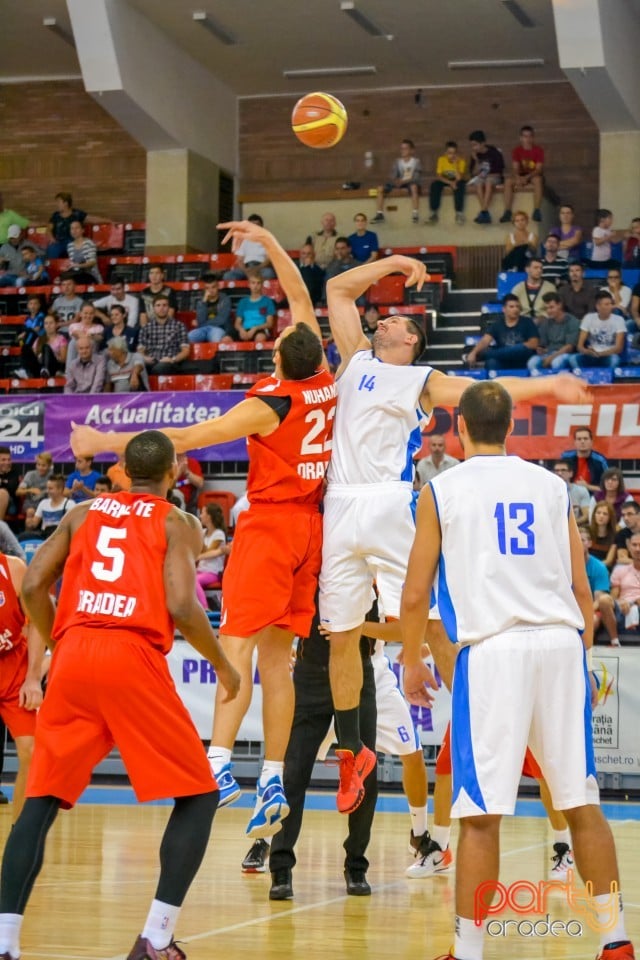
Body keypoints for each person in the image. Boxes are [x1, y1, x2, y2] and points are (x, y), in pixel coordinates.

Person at [70, 219, 335, 841]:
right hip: (311, 531)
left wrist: (101, 440)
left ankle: (217, 765)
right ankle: (274, 773)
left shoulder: (269, 403)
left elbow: (180, 440)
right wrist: (270, 243)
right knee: (281, 661)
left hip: (270, 528)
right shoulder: (324, 380)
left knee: (237, 647)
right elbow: (301, 297)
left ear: (276, 353)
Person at [320, 255, 590, 819]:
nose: (384, 319)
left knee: (431, 623)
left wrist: (549, 385)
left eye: (396, 321)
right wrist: (393, 262)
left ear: (411, 341)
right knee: (339, 634)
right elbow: (337, 291)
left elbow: (484, 388)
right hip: (339, 503)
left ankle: (483, 709)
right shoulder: (354, 361)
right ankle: (352, 751)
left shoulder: (421, 380)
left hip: (389, 503)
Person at [400, 379, 634, 960]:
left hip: (494, 650)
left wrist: (411, 660)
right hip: (558, 643)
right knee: (581, 801)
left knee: (480, 815)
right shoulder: (553, 487)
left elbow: (413, 595)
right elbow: (583, 590)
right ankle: (616, 941)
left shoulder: (443, 490)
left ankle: (469, 950)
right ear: (510, 429)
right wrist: (574, 660)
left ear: (458, 431)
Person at [0, 431, 240, 960]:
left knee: (38, 802)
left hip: (76, 653)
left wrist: (59, 638)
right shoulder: (179, 522)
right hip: (131, 653)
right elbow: (181, 603)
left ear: (124, 472)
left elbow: (34, 582)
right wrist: (222, 664)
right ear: (174, 472)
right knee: (200, 795)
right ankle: (156, 938)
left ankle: (5, 942)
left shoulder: (82, 512)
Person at [0, 551, 44, 821]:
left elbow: (38, 622)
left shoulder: (13, 568)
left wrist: (33, 678)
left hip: (14, 667)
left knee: (32, 750)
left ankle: (20, 832)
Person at [464, 294, 538, 371]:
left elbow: (534, 344)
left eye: (517, 307)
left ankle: (485, 355)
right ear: (504, 309)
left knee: (520, 348)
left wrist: (517, 347)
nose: (515, 309)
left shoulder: (527, 322)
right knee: (491, 362)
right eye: (511, 307)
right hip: (504, 360)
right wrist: (474, 352)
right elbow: (485, 340)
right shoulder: (497, 324)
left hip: (522, 359)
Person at [579, 525, 619, 648]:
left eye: (582, 540)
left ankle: (615, 642)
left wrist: (585, 614)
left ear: (589, 543)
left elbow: (598, 599)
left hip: (593, 607)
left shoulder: (599, 566)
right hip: (573, 607)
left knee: (603, 602)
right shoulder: (565, 565)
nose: (579, 543)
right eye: (576, 540)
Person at [569, 290, 626, 371]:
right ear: (598, 306)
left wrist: (600, 354)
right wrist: (587, 351)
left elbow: (618, 348)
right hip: (591, 355)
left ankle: (607, 382)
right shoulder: (588, 318)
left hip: (608, 355)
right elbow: (580, 346)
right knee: (573, 358)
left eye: (611, 304)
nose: (610, 306)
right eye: (606, 304)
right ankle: (583, 380)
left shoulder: (619, 320)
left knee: (615, 360)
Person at [501, 124, 545, 223]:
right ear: (521, 138)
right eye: (525, 136)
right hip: (521, 175)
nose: (527, 139)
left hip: (533, 175)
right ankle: (507, 211)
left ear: (533, 138)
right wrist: (518, 178)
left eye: (530, 136)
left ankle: (537, 210)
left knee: (538, 180)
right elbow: (515, 168)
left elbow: (538, 169)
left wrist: (526, 177)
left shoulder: (538, 150)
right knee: (508, 181)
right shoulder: (517, 150)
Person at [527, 291, 580, 372]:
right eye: (546, 308)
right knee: (532, 363)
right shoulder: (546, 322)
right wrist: (540, 349)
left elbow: (569, 348)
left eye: (551, 307)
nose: (548, 311)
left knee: (556, 363)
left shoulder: (572, 321)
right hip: (549, 353)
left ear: (559, 305)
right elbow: (543, 345)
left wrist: (551, 358)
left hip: (565, 354)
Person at [373, 139, 423, 224]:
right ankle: (379, 214)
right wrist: (396, 181)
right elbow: (393, 175)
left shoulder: (416, 162)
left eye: (405, 148)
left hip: (411, 182)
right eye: (401, 148)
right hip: (400, 182)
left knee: (414, 187)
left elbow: (417, 177)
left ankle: (415, 213)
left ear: (411, 150)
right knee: (380, 188)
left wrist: (405, 181)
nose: (403, 151)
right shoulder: (397, 162)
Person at [137, 295, 190, 374]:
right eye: (158, 305)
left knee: (160, 368)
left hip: (170, 362)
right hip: (151, 361)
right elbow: (140, 350)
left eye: (164, 305)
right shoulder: (146, 328)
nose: (161, 308)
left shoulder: (179, 326)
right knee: (135, 368)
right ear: (153, 308)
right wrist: (144, 358)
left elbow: (186, 351)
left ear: (168, 308)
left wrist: (173, 359)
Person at [467, 130, 505, 225]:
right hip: (482, 178)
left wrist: (486, 176)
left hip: (494, 178)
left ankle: (483, 211)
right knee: (478, 183)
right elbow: (474, 173)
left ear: (483, 143)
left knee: (488, 181)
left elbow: (499, 172)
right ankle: (485, 212)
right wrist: (476, 160)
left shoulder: (494, 152)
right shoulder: (475, 155)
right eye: (472, 145)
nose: (473, 148)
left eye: (475, 145)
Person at [222, 213, 275, 280]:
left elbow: (268, 259)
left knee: (269, 274)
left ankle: (256, 284)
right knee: (228, 276)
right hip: (246, 268)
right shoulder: (243, 240)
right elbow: (240, 260)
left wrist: (257, 268)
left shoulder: (268, 240)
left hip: (261, 268)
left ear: (262, 227)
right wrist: (246, 271)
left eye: (257, 225)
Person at [195, 503, 227, 609]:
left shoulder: (219, 534)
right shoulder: (203, 532)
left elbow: (208, 552)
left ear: (209, 516)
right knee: (185, 579)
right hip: (200, 570)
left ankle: (205, 608)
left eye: (202, 513)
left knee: (194, 581)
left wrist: (199, 538)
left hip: (212, 572)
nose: (200, 516)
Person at [427, 140, 467, 225]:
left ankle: (459, 213)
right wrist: (450, 183)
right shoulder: (441, 159)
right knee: (435, 185)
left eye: (454, 153)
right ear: (446, 153)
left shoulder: (461, 161)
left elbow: (459, 177)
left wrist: (455, 165)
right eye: (449, 153)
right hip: (445, 179)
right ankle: (434, 213)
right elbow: (439, 176)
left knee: (460, 185)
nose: (452, 155)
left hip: (456, 179)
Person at [562, 426, 608, 494]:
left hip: (593, 497)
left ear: (591, 441)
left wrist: (588, 486)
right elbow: (557, 481)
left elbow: (609, 488)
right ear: (575, 442)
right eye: (579, 439)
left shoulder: (600, 460)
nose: (582, 441)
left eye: (585, 439)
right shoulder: (566, 458)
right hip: (568, 495)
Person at [188, 272, 232, 343]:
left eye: (213, 287)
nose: (211, 290)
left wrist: (201, 324)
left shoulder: (225, 299)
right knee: (188, 338)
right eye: (207, 288)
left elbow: (222, 320)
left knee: (216, 339)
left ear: (218, 286)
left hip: (218, 328)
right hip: (203, 329)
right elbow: (201, 320)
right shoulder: (201, 302)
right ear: (204, 289)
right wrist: (204, 302)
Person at [611, 531, 640, 639]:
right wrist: (620, 602)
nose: (637, 549)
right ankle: (615, 641)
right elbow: (614, 597)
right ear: (629, 547)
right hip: (623, 609)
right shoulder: (619, 570)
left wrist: (635, 602)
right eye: (634, 545)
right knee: (606, 601)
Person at [234, 272, 276, 342]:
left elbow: (269, 323)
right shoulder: (243, 302)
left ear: (262, 285)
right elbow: (237, 323)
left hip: (260, 329)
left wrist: (255, 328)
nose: (255, 286)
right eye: (253, 283)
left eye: (258, 283)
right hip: (244, 330)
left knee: (260, 337)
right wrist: (241, 330)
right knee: (227, 339)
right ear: (249, 285)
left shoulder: (267, 301)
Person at [13, 295, 47, 380]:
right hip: (28, 346)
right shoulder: (26, 319)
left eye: (35, 304)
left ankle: (25, 370)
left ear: (39, 305)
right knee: (24, 347)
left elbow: (37, 330)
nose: (33, 306)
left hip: (39, 343)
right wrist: (21, 336)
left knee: (26, 347)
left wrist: (26, 332)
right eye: (31, 304)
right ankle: (25, 370)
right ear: (28, 306)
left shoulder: (41, 316)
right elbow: (21, 334)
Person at [65, 219, 102, 284]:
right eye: (72, 228)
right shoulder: (69, 246)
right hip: (77, 274)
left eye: (77, 228)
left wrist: (78, 266)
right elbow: (73, 263)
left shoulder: (89, 243)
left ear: (82, 230)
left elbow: (92, 262)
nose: (74, 231)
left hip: (91, 275)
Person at [588, 501, 619, 570]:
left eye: (605, 514)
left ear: (610, 517)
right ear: (594, 515)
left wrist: (594, 568)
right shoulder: (586, 532)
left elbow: (609, 561)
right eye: (598, 513)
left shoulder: (615, 536)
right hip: (586, 567)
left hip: (604, 569)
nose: (601, 516)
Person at [0, 448, 22, 524]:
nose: (7, 462)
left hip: (11, 505)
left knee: (2, 493)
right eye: (3, 460)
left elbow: (12, 488)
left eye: (9, 460)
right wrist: (4, 482)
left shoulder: (14, 470)